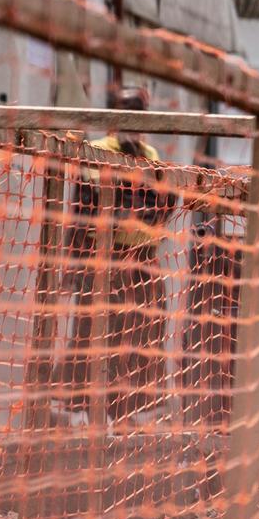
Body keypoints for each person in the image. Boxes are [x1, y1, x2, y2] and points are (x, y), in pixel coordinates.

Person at [68, 84, 179, 420]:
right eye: (125, 112)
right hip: (105, 261)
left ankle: (130, 413)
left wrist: (138, 212)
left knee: (144, 339)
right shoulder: (97, 151)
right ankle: (91, 416)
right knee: (98, 339)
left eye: (138, 113)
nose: (133, 121)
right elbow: (86, 208)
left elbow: (162, 204)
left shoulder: (152, 157)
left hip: (143, 263)